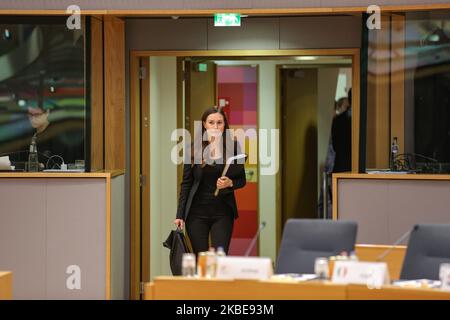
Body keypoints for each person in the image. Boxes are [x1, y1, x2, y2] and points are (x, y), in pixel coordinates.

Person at [174, 106, 246, 254]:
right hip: (195, 214)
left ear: (224, 125)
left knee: (220, 258)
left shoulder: (233, 147)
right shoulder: (192, 148)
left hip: (223, 213)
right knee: (202, 260)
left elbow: (242, 180)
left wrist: (230, 183)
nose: (215, 126)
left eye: (219, 122)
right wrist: (179, 215)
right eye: (211, 122)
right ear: (204, 124)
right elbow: (186, 183)